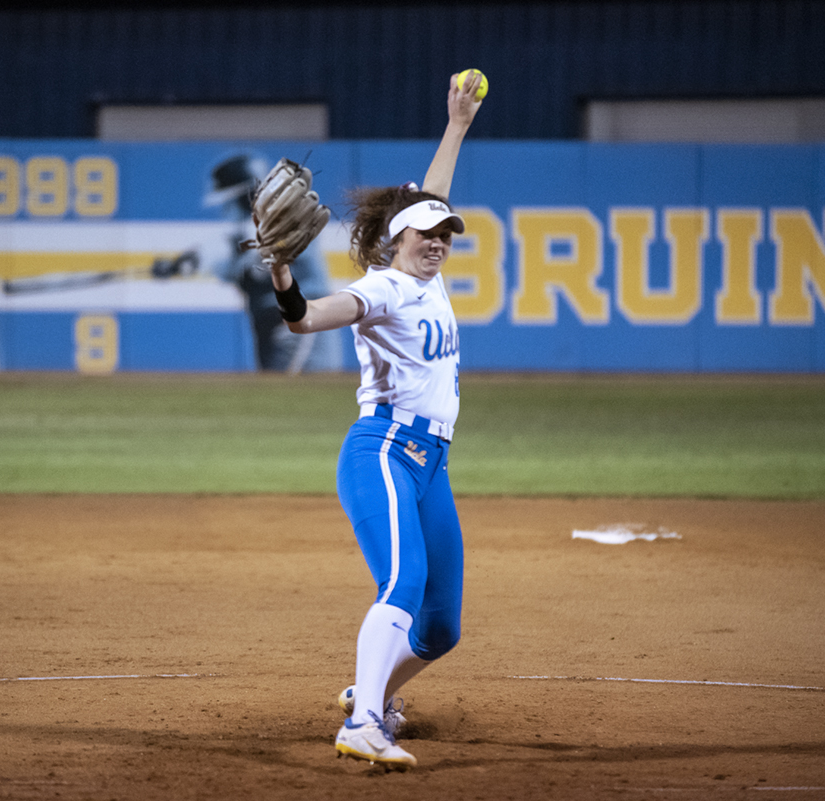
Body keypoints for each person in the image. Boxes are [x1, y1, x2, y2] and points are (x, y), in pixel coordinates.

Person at [267, 71, 484, 769]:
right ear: (397, 241)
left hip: (433, 466)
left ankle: (373, 689)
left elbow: (435, 189)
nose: (438, 239)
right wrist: (282, 275)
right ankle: (365, 721)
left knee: (442, 626)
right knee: (403, 582)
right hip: (383, 450)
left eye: (445, 232)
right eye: (426, 232)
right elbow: (306, 321)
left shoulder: (432, 277)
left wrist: (456, 124)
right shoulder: (385, 287)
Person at [200, 153, 342, 373]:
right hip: (269, 323)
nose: (229, 209)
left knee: (295, 392)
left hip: (302, 320)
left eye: (233, 200)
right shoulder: (247, 228)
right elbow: (228, 263)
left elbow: (256, 258)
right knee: (272, 392)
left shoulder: (287, 216)